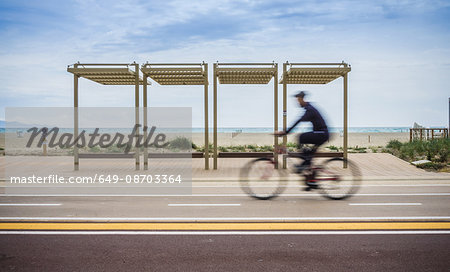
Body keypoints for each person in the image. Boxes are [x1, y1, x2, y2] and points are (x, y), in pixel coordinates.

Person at [275, 91, 329, 186]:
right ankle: (311, 180)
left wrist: (285, 132)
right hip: (322, 134)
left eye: (298, 100)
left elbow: (298, 121)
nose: (298, 102)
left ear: (302, 99)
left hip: (321, 134)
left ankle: (305, 162)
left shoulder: (310, 110)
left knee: (301, 137)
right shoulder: (309, 108)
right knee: (308, 155)